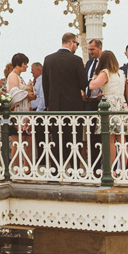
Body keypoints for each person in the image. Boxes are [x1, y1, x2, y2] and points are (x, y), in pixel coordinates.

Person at [42, 33, 87, 170]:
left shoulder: (48, 59)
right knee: (74, 138)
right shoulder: (76, 60)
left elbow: (45, 84)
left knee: (56, 138)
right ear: (71, 42)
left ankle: (55, 169)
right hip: (74, 107)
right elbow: (83, 83)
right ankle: (74, 169)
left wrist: (49, 105)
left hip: (55, 106)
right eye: (77, 44)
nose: (77, 47)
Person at [87, 50, 128, 172]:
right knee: (122, 139)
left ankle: (110, 169)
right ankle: (124, 169)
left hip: (110, 106)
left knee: (110, 140)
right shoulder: (121, 73)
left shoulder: (106, 72)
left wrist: (94, 77)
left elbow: (92, 86)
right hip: (121, 104)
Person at [84, 39, 103, 108]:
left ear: (100, 48)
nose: (90, 52)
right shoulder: (89, 63)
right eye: (89, 49)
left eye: (92, 49)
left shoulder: (105, 63)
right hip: (88, 102)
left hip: (100, 102)